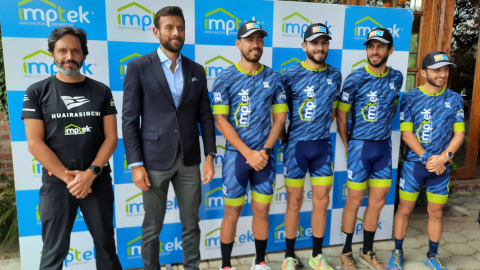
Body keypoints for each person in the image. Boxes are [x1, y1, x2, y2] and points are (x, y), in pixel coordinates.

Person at [122, 6, 216, 270]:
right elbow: (129, 119)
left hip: (189, 159)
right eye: (169, 27)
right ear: (156, 31)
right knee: (152, 228)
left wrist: (209, 156)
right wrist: (136, 164)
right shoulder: (138, 67)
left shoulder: (196, 69)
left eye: (181, 28)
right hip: (152, 161)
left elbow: (205, 116)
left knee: (191, 224)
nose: (176, 33)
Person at [22, 26, 122, 270]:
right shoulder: (36, 92)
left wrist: (90, 174)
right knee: (53, 253)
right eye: (63, 51)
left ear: (84, 55)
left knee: (106, 247)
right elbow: (35, 143)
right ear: (53, 55)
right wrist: (71, 179)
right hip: (57, 183)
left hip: (96, 180)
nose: (69, 56)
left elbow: (111, 137)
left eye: (75, 51)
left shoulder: (101, 90)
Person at [212, 21, 287, 270]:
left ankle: (260, 262)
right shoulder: (225, 77)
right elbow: (220, 120)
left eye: (259, 40)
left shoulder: (274, 77)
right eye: (250, 39)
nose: (255, 44)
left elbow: (280, 120)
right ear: (238, 43)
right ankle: (225, 265)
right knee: (231, 213)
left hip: (265, 158)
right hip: (236, 158)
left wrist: (264, 151)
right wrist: (248, 153)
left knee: (262, 212)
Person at [388, 51, 464, 270]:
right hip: (414, 166)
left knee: (437, 212)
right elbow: (406, 134)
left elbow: (459, 134)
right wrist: (426, 158)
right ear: (423, 72)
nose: (442, 74)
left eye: (446, 69)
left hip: (441, 168)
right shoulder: (410, 97)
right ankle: (397, 252)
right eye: (437, 70)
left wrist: (444, 158)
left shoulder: (455, 99)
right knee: (404, 210)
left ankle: (432, 255)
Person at [336, 28, 403, 270]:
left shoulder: (397, 77)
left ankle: (367, 249)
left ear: (390, 50)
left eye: (380, 46)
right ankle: (345, 252)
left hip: (383, 148)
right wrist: (349, 144)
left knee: (377, 202)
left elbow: (392, 108)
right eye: (370, 46)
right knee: (354, 201)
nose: (374, 51)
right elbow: (341, 115)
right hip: (360, 148)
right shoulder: (354, 77)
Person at [280, 23, 341, 270]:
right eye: (315, 43)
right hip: (295, 149)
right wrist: (285, 137)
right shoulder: (290, 74)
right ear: (304, 46)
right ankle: (289, 256)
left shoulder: (335, 75)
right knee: (293, 202)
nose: (320, 47)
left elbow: (334, 111)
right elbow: (278, 111)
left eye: (324, 43)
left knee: (322, 202)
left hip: (322, 149)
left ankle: (317, 255)